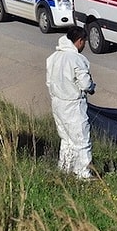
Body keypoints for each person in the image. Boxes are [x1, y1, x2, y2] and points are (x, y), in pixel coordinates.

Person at [45, 26, 96, 180]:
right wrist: (92, 87)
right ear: (79, 41)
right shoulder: (77, 59)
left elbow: (48, 81)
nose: (84, 45)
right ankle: (83, 174)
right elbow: (86, 84)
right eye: (84, 42)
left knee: (66, 139)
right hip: (73, 104)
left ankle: (65, 168)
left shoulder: (53, 57)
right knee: (82, 140)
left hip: (57, 103)